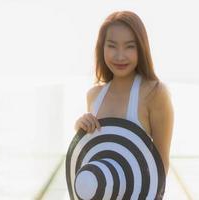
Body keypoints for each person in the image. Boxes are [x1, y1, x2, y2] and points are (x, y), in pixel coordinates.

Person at [74, 10, 174, 178]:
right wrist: (80, 129)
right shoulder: (93, 95)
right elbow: (91, 155)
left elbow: (162, 163)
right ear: (102, 47)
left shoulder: (155, 93)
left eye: (130, 46)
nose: (120, 56)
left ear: (141, 48)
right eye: (112, 46)